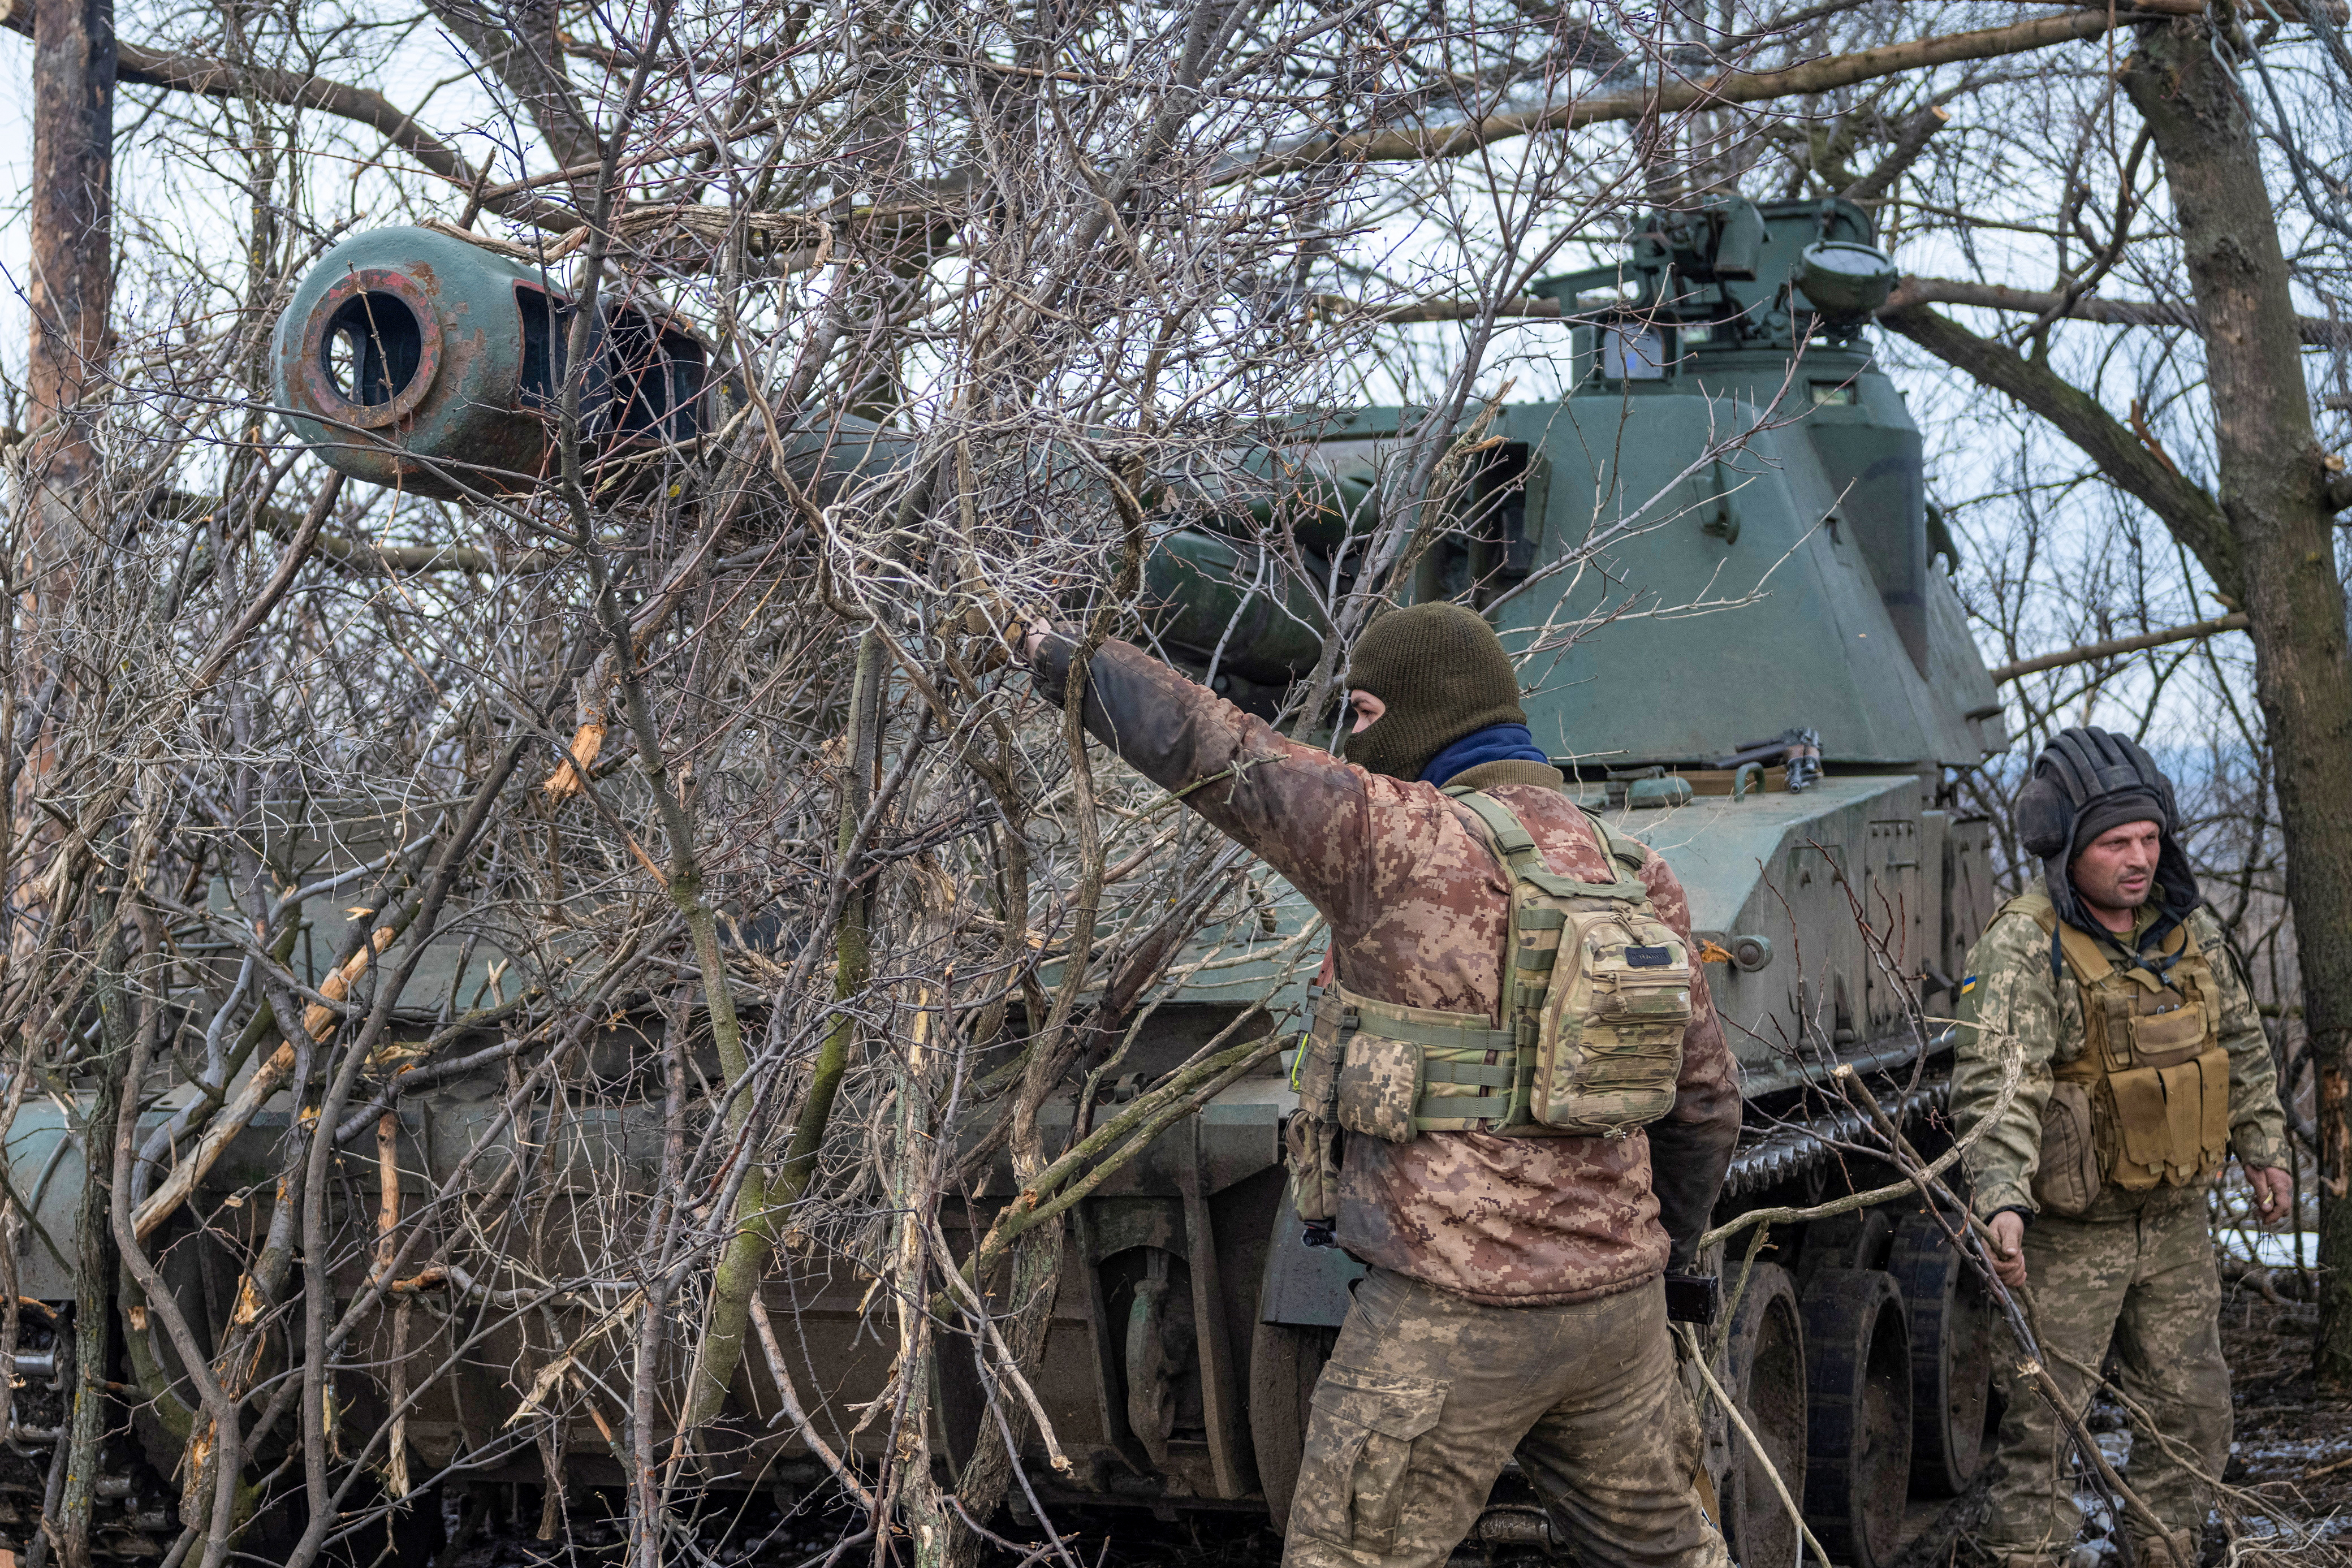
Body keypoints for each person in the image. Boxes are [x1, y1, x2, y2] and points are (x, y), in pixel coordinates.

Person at [1019, 602, 1739, 1568]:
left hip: (1451, 1321)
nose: (1353, 738)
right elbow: (1705, 1104)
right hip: (1617, 1325)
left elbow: (1215, 749)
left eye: (1359, 714)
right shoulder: (1634, 871)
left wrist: (1055, 653)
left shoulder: (1394, 836)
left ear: (1417, 714)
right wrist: (1659, 1251)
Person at [1952, 727, 2292, 1568]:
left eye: (2149, 839)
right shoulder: (2025, 945)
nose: (2138, 858)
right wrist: (2000, 1199)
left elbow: (2241, 1045)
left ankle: (2162, 1551)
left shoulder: (2189, 931)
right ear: (2069, 848)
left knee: (2194, 1411)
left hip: (2176, 1224)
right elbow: (2001, 1083)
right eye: (2115, 842)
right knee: (2042, 1430)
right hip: (2074, 1235)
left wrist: (2265, 1146)